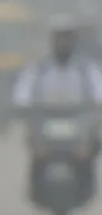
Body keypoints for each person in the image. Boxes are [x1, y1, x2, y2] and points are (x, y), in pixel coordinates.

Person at [11, 15, 102, 200]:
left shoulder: (87, 69)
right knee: (36, 146)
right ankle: (37, 189)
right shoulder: (38, 69)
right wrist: (22, 105)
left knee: (89, 145)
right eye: (60, 38)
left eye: (67, 38)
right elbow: (22, 94)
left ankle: (86, 188)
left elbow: (98, 94)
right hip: (46, 120)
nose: (63, 42)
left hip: (78, 121)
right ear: (52, 41)